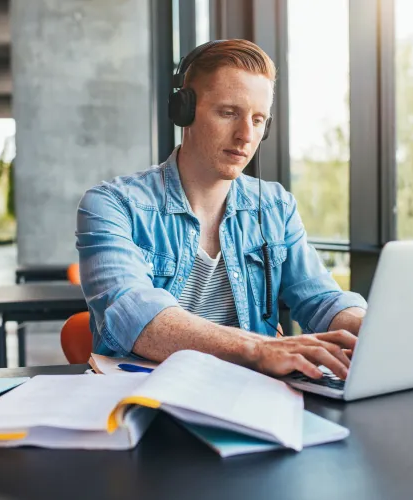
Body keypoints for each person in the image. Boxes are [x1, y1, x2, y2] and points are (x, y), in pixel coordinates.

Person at [76, 39, 367, 380]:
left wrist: (372, 330)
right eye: (229, 113)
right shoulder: (113, 204)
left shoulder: (275, 207)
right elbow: (135, 317)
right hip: (143, 400)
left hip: (248, 395)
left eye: (258, 120)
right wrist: (258, 349)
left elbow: (321, 300)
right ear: (183, 111)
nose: (246, 135)